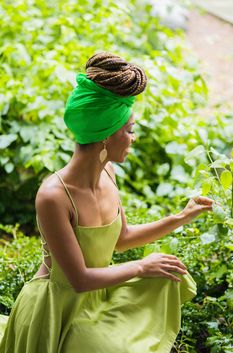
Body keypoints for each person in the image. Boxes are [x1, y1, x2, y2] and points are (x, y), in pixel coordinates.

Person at [0, 51, 213, 353]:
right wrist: (142, 266)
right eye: (129, 130)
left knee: (167, 280)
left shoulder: (108, 173)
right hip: (57, 310)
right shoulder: (53, 196)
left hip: (96, 297)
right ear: (105, 136)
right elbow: (79, 279)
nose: (133, 138)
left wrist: (181, 217)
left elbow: (122, 239)